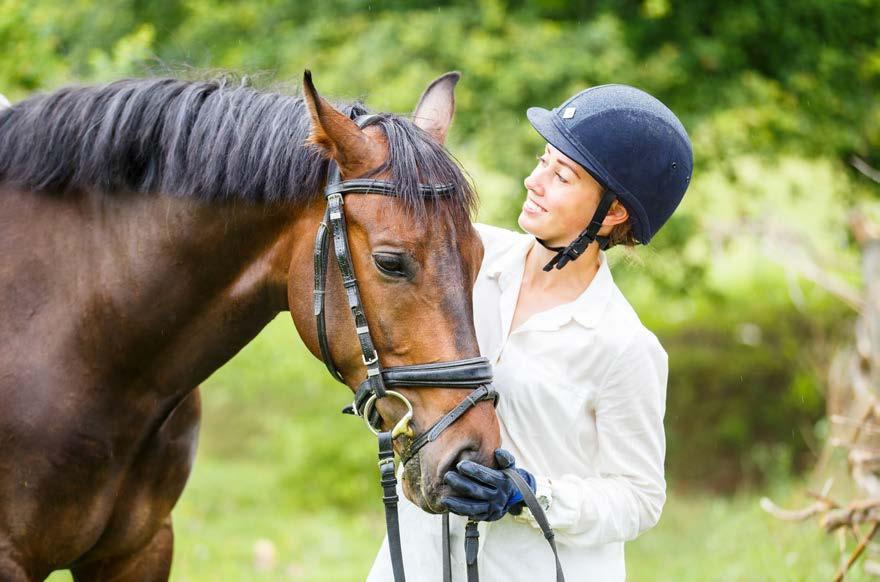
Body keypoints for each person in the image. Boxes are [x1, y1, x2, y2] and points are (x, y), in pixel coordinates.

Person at [367, 83, 693, 581]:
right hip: (418, 561)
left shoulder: (624, 346)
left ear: (612, 214)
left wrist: (528, 492)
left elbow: (640, 497)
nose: (533, 181)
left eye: (561, 175)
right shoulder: (463, 261)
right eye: (543, 161)